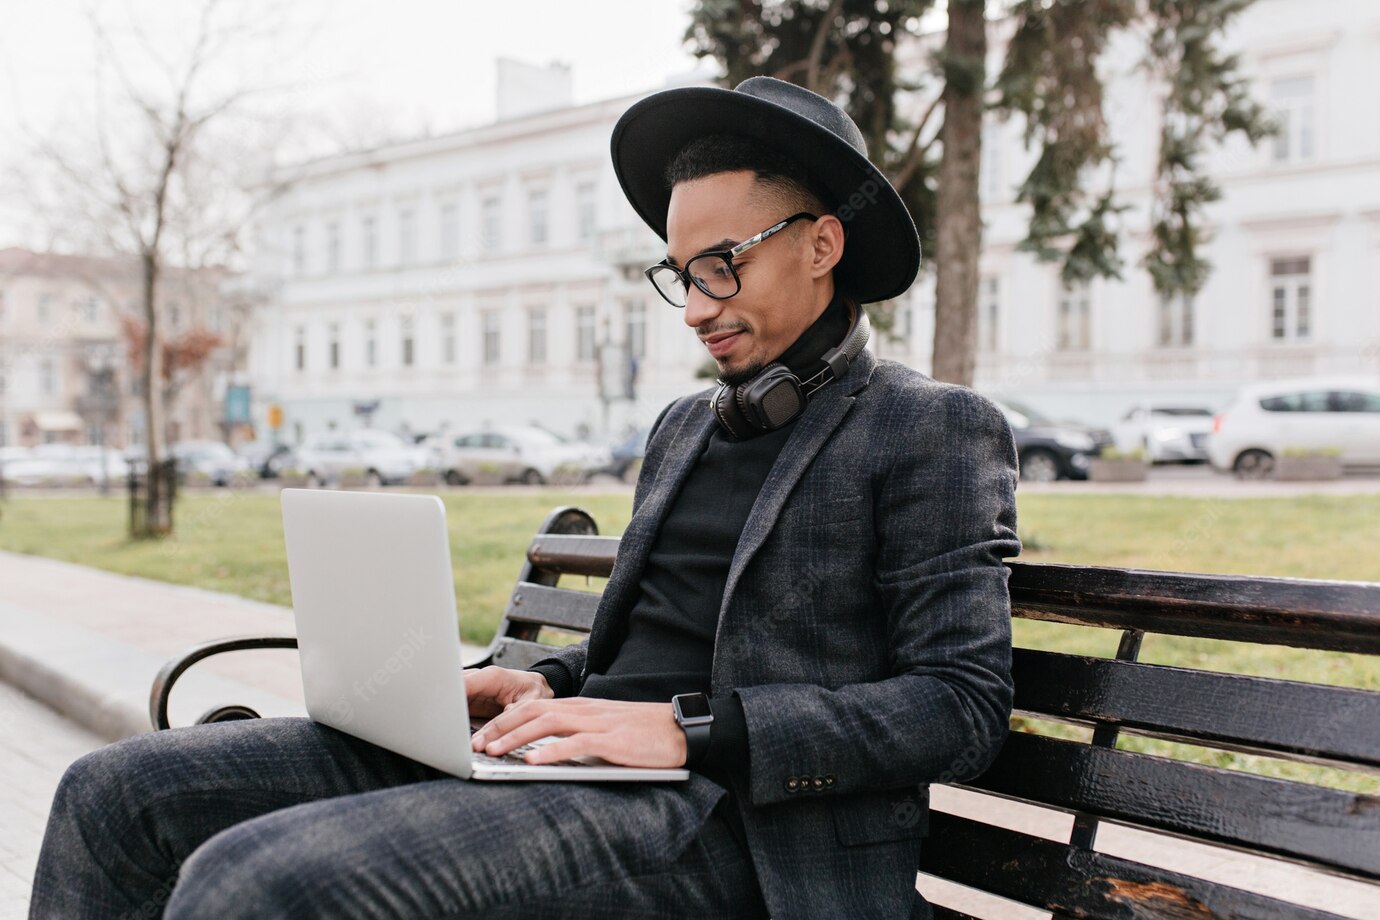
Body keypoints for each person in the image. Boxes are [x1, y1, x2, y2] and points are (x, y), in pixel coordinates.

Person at [29, 76, 1018, 920]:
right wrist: (541, 676)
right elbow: (653, 641)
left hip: (739, 831)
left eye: (726, 264)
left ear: (821, 245)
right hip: (577, 767)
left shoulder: (930, 428)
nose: (702, 304)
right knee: (115, 791)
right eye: (682, 274)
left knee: (256, 884)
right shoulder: (688, 427)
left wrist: (691, 730)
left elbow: (961, 706)